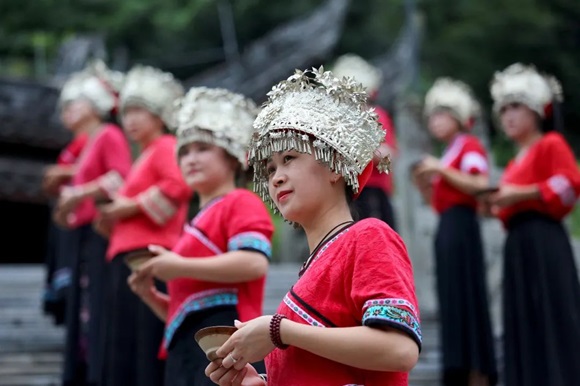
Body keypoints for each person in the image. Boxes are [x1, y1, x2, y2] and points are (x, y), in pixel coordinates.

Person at [205, 67, 421, 386]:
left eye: (290, 157)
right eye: (270, 167)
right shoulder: (310, 271)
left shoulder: (368, 235)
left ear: (334, 166)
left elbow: (400, 349)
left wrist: (279, 331)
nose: (276, 176)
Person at [128, 87, 274, 386]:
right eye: (184, 151)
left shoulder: (240, 201)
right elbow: (186, 307)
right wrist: (150, 295)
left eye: (203, 149)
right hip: (189, 346)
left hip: (225, 341)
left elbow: (253, 263)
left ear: (233, 158)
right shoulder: (194, 222)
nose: (191, 159)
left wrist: (178, 266)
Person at [486, 63, 580, 386]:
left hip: (544, 242)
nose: (507, 115)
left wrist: (520, 194)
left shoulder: (551, 144)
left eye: (516, 106)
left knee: (552, 320)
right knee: (523, 324)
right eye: (503, 109)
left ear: (537, 110)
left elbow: (570, 185)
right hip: (518, 245)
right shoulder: (514, 161)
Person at [96, 65, 189, 386]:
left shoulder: (164, 146)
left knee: (140, 338)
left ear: (158, 115)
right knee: (128, 337)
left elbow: (179, 185)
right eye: (126, 112)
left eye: (139, 111)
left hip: (148, 253)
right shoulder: (146, 154)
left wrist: (129, 206)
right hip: (130, 253)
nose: (130, 119)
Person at [412, 78, 497, 386]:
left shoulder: (469, 147)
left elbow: (480, 183)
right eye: (432, 115)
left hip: (463, 227)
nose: (435, 121)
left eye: (442, 114)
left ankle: (476, 371)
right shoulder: (449, 153)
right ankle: (459, 368)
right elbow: (437, 201)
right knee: (453, 298)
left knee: (467, 297)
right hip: (448, 226)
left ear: (458, 118)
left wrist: (439, 170)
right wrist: (425, 183)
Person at [52, 60, 132, 386]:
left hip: (100, 233)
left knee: (94, 307)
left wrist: (77, 194)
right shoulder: (92, 140)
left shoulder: (108, 134)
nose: (69, 110)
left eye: (77, 102)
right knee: (84, 306)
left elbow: (118, 179)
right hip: (83, 233)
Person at [332, 53, 398, 229]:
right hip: (344, 193)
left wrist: (357, 147)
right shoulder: (337, 119)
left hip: (372, 191)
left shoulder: (377, 116)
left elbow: (388, 154)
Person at [42, 126, 88, 325]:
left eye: (75, 105)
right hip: (70, 215)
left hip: (86, 218)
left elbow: (105, 172)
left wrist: (66, 173)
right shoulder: (75, 143)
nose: (69, 112)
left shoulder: (103, 135)